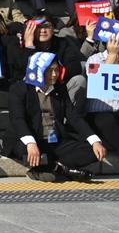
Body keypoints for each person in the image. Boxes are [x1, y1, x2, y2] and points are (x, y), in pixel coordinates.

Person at [7, 52, 102, 183]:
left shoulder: (60, 89)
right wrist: (31, 142)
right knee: (30, 152)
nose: (54, 75)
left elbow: (73, 117)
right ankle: (61, 170)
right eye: (49, 70)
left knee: (94, 151)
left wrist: (94, 140)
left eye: (56, 70)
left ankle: (49, 169)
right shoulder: (19, 89)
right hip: (28, 139)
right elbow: (18, 119)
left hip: (54, 140)